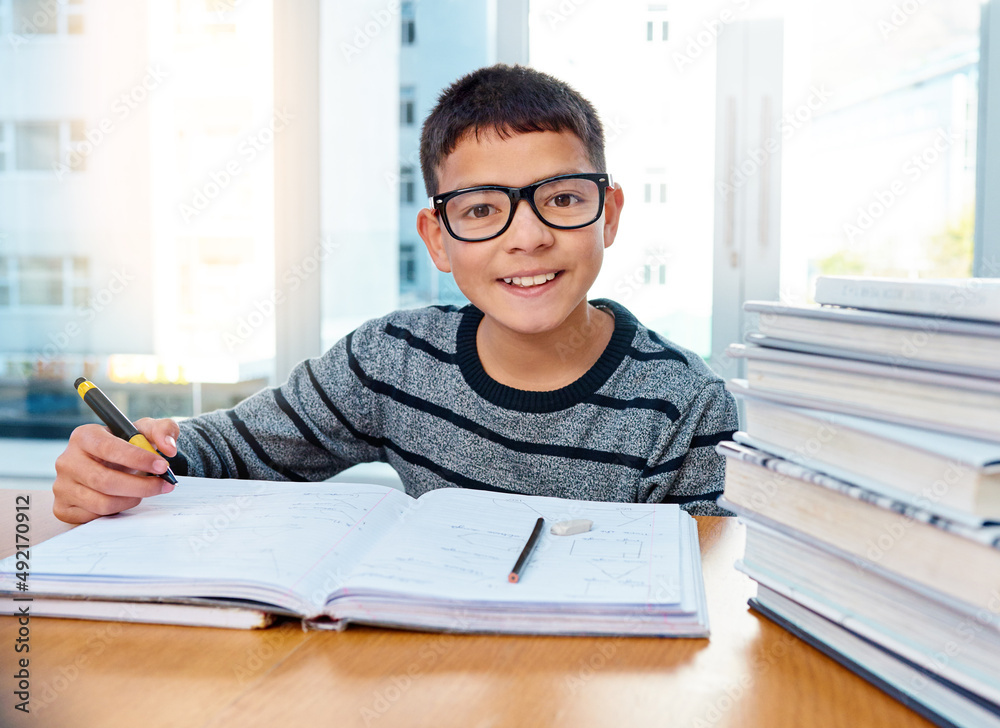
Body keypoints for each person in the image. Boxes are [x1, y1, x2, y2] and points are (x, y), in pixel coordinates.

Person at [53, 64, 738, 525]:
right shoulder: (391, 360)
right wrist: (125, 462)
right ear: (436, 239)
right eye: (479, 210)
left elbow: (702, 602)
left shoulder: (688, 410)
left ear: (609, 212)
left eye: (561, 198)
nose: (526, 237)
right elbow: (227, 452)